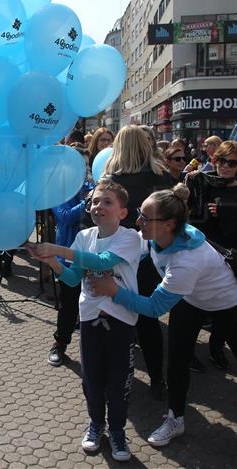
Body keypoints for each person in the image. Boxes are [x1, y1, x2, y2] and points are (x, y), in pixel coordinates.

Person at [91, 185, 237, 469]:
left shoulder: (187, 260)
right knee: (176, 361)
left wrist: (114, 291)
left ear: (169, 224)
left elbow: (153, 308)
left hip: (226, 303)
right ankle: (176, 419)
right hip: (191, 299)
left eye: (144, 217)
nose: (138, 221)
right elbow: (129, 253)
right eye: (139, 214)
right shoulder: (155, 236)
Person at [28, 179, 145, 461]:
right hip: (90, 321)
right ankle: (96, 424)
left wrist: (58, 250)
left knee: (118, 382)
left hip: (120, 323)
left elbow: (103, 262)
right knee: (91, 380)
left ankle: (117, 430)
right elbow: (73, 279)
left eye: (107, 202)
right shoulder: (83, 237)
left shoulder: (130, 238)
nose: (98, 206)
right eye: (94, 201)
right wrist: (52, 262)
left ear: (122, 212)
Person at [101, 125, 172, 399]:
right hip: (149, 256)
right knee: (147, 318)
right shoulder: (161, 176)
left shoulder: (110, 181)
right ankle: (157, 378)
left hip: (117, 256)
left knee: (115, 317)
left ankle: (118, 378)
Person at [185, 141, 237, 370]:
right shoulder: (203, 183)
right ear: (214, 160)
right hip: (204, 255)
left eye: (232, 162)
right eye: (221, 161)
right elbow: (189, 213)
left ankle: (217, 348)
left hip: (231, 256)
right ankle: (189, 352)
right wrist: (189, 181)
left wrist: (227, 210)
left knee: (225, 309)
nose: (226, 167)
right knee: (196, 306)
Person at [46, 167, 94, 367]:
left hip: (92, 252)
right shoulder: (58, 192)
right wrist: (88, 202)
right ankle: (60, 343)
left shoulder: (92, 188)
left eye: (84, 167)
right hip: (68, 254)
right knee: (69, 303)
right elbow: (64, 216)